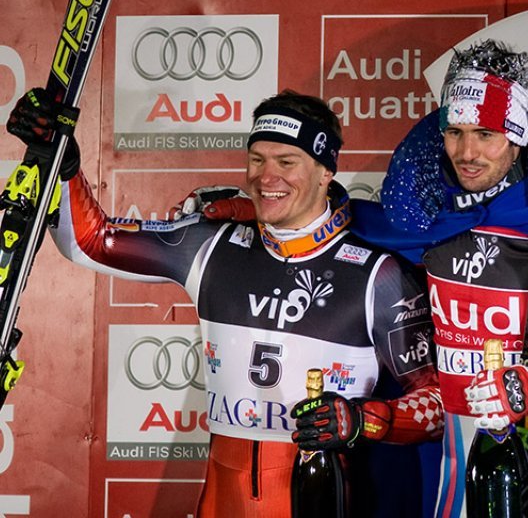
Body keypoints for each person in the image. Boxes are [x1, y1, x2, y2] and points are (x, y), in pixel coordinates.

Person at [175, 40, 528, 517]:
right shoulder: (422, 216)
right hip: (444, 454)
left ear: (519, 136)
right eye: (455, 131)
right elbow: (327, 216)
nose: (467, 152)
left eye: (486, 134)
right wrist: (244, 210)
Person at [4, 88, 443, 517]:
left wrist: (360, 419)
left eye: (286, 162)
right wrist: (63, 162)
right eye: (257, 160)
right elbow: (91, 242)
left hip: (321, 490)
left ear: (326, 172)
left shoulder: (376, 274)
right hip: (221, 494)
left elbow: (437, 405)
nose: (266, 178)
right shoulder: (211, 245)